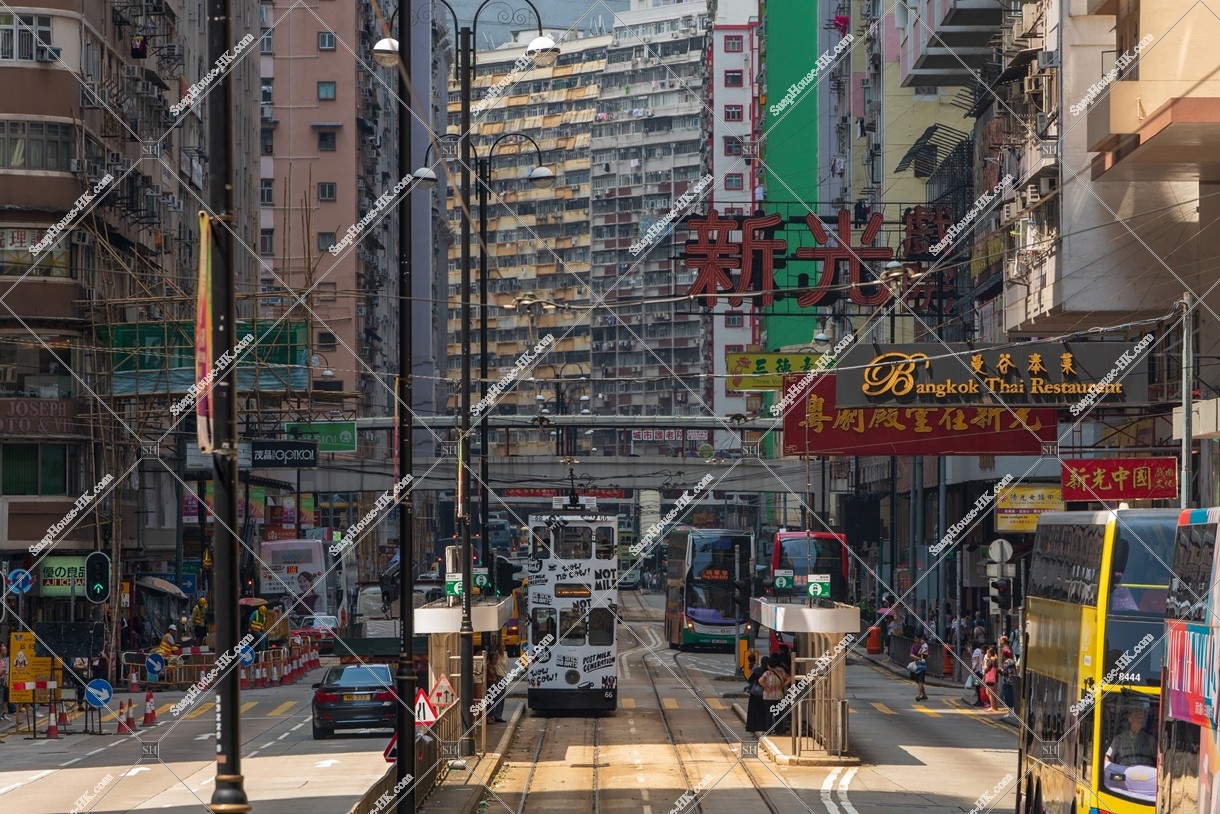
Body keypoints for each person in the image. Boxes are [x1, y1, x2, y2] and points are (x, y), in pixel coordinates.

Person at [744, 658, 771, 736]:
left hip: (756, 695)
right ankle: (764, 726)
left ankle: (753, 726)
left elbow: (750, 679)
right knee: (765, 711)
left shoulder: (758, 670)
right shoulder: (770, 672)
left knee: (754, 712)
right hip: (767, 694)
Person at [488, 641, 510, 723]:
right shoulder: (496, 656)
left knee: (501, 698)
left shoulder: (506, 656)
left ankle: (498, 715)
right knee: (495, 697)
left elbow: (507, 666)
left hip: (503, 677)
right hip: (497, 678)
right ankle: (492, 715)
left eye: (503, 646)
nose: (501, 648)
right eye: (500, 646)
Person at [999, 636, 1017, 710]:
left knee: (1008, 695)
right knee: (1008, 695)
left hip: (1008, 681)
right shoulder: (1011, 661)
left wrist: (1001, 671)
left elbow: (1008, 673)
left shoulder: (1008, 662)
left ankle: (1010, 710)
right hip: (1009, 681)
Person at [982, 645, 1000, 711]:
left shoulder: (990, 660)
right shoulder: (995, 659)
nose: (987, 654)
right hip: (994, 678)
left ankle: (992, 707)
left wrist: (985, 661)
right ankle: (995, 707)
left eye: (988, 653)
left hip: (990, 678)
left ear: (990, 653)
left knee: (990, 693)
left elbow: (985, 669)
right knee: (991, 692)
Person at [970, 641, 986, 707]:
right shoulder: (979, 651)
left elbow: (977, 661)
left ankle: (980, 701)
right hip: (980, 671)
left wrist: (972, 669)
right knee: (979, 687)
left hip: (977, 671)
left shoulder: (976, 651)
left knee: (977, 687)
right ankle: (980, 700)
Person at [913, 635, 929, 701]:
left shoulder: (925, 645)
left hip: (922, 667)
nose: (917, 640)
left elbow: (928, 653)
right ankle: (924, 695)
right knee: (919, 681)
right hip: (917, 666)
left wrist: (921, 654)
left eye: (919, 639)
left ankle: (918, 695)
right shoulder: (915, 646)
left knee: (920, 681)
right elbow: (912, 654)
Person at [0, 643, 10, 721]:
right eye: (2, 650)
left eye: (5, 650)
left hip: (4, 681)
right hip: (1, 680)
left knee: (4, 699)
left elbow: (5, 671)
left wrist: (7, 680)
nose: (4, 651)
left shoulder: (6, 659)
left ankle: (3, 714)